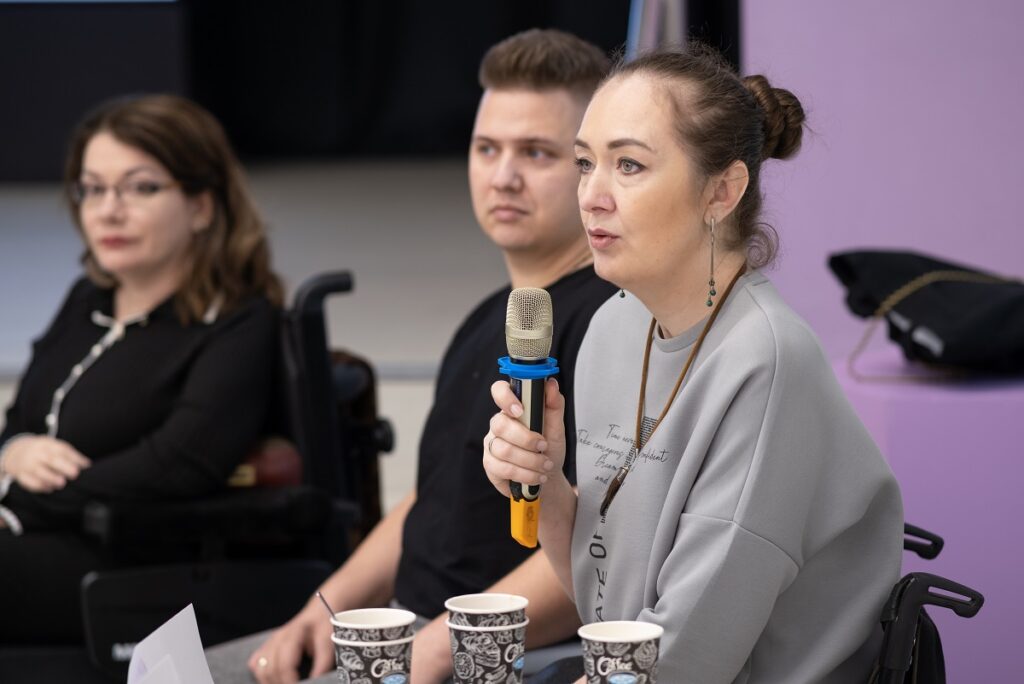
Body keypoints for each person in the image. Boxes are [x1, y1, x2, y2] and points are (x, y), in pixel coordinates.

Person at [206, 30, 617, 684]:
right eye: (487, 148)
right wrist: (328, 608)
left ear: (590, 167)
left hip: (490, 654)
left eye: (537, 152)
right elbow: (434, 496)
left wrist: (435, 650)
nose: (503, 176)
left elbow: (600, 549)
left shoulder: (609, 322)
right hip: (406, 627)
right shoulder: (489, 317)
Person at [483, 45, 904, 683]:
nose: (591, 196)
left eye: (628, 165)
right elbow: (605, 604)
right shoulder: (612, 327)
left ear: (722, 191)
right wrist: (551, 489)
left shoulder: (767, 362)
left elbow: (684, 661)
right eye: (585, 163)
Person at [0, 94, 283, 645]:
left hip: (131, 562)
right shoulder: (87, 299)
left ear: (202, 206)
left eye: (141, 188)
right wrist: (14, 452)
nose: (109, 211)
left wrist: (18, 505)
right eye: (93, 189)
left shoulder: (238, 320)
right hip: (35, 540)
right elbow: (21, 421)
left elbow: (177, 464)